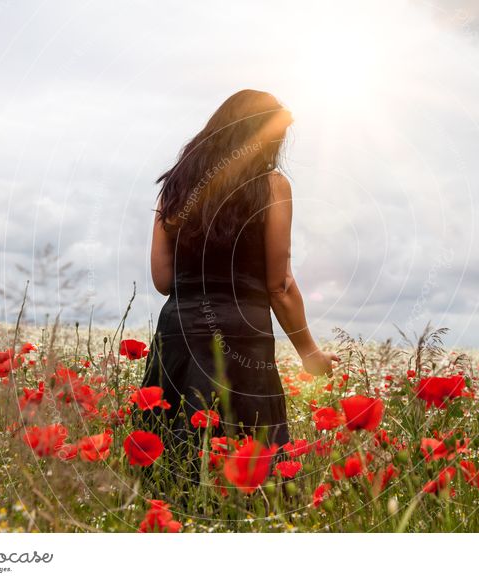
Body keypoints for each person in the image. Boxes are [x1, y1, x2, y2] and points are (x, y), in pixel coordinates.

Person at [139, 89, 338, 476]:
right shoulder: (272, 186)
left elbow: (163, 280)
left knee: (172, 464)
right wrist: (310, 354)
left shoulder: (175, 189)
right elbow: (278, 285)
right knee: (247, 464)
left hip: (177, 333)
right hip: (241, 332)